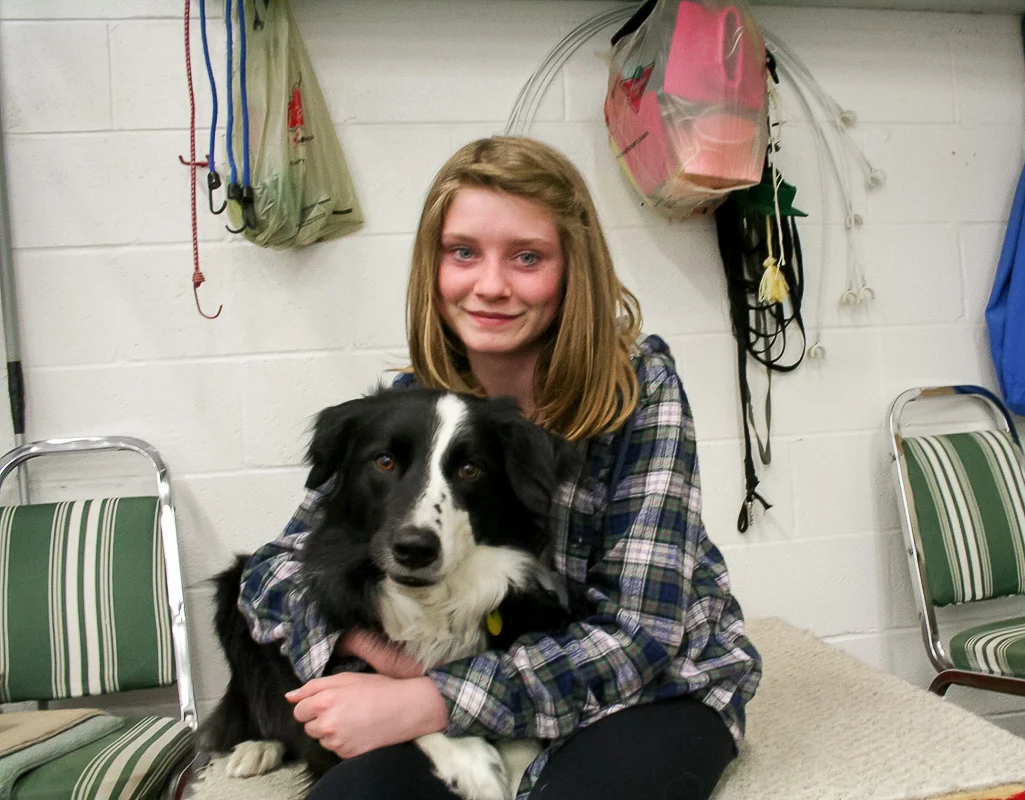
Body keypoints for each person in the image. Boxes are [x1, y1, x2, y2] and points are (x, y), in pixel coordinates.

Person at [237, 136, 762, 800]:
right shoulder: (411, 407)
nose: (490, 285)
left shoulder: (638, 389)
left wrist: (433, 699)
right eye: (463, 252)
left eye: (527, 257)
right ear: (432, 265)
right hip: (457, 675)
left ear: (573, 270)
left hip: (644, 687)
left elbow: (641, 633)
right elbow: (271, 572)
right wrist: (372, 655)